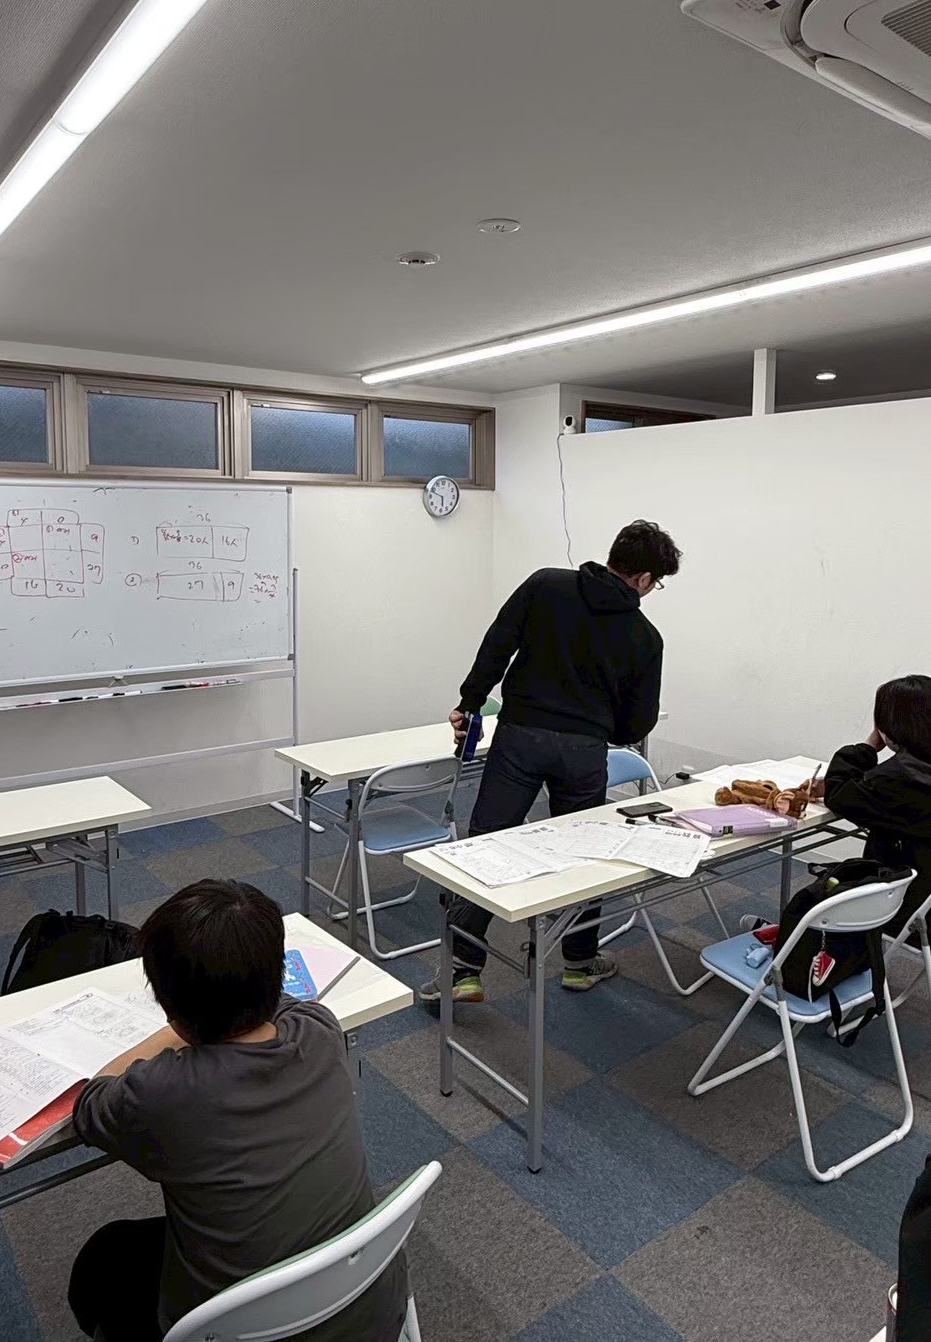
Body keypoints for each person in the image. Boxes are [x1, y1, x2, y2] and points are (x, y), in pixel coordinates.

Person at [68, 879, 408, 1342]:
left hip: (242, 1330)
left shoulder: (162, 1093)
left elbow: (89, 1101)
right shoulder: (320, 1029)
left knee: (105, 1258)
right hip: (370, 1313)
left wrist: (174, 1029)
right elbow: (279, 1006)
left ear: (167, 1003)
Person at [421, 519, 681, 1003]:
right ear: (644, 578)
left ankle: (462, 971)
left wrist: (471, 702)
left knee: (486, 845)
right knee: (583, 855)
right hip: (584, 752)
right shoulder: (646, 636)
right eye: (656, 583)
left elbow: (498, 644)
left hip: (520, 736)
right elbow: (637, 724)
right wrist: (602, 728)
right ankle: (579, 963)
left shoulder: (546, 585)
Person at [824, 675, 931, 954]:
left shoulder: (901, 778)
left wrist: (867, 747)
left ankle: (801, 955)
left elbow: (839, 794)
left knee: (833, 890)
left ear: (888, 727)